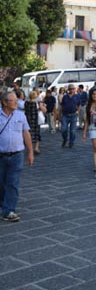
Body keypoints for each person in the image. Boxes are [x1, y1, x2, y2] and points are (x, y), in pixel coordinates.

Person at [0, 91, 34, 222]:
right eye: (13, 100)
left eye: (16, 100)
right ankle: (4, 205)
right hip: (1, 155)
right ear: (4, 103)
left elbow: (26, 134)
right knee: (1, 184)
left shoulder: (20, 115)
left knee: (13, 183)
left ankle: (9, 210)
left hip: (17, 155)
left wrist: (30, 152)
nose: (16, 103)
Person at [24, 90, 45, 155]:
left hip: (28, 120)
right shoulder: (36, 103)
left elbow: (25, 110)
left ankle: (30, 148)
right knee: (36, 134)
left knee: (29, 134)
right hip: (35, 120)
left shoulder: (26, 103)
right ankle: (36, 148)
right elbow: (42, 110)